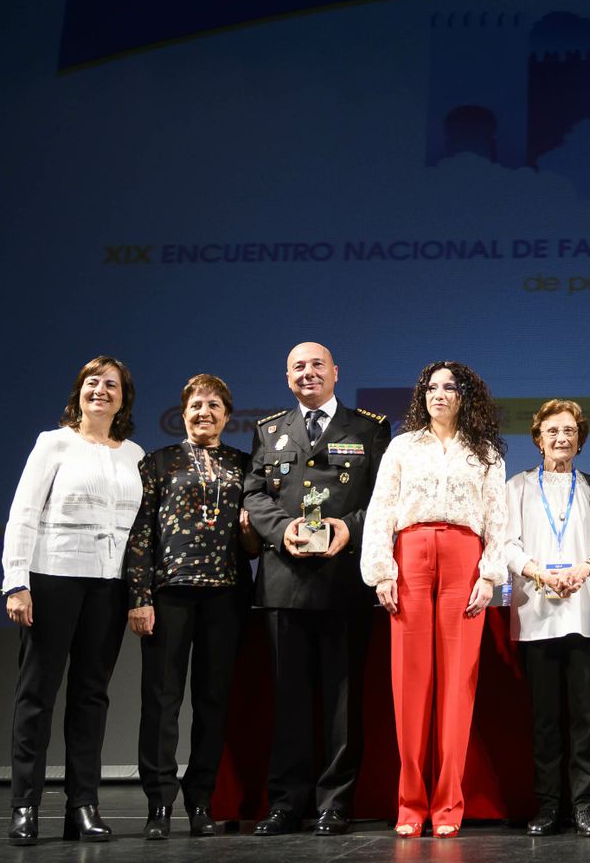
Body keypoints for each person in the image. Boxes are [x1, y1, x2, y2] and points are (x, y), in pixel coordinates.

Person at [242, 342, 391, 836]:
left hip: (343, 582)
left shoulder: (370, 428)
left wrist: (349, 527)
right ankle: (286, 803)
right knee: (289, 701)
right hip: (284, 582)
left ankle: (334, 803)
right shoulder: (269, 430)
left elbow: (385, 502)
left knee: (342, 704)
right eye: (298, 367)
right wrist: (284, 529)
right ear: (288, 378)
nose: (308, 373)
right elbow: (254, 497)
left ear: (336, 373)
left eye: (317, 365)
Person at [1, 356, 145, 845]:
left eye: (111, 384)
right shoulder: (54, 443)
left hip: (109, 585)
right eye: (91, 382)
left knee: (91, 697)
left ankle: (83, 804)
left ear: (124, 397)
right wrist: (16, 581)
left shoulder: (134, 454)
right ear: (78, 392)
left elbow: (141, 534)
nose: (100, 390)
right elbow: (23, 513)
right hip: (53, 577)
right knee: (37, 694)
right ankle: (25, 805)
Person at [362, 361, 509, 839]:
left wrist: (489, 576)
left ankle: (448, 805)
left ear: (467, 396)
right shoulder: (403, 447)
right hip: (411, 558)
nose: (439, 394)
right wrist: (382, 571)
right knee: (411, 686)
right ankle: (411, 804)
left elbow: (498, 519)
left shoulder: (484, 452)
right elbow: (382, 510)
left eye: (450, 387)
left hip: (464, 560)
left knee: (457, 688)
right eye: (431, 387)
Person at [125, 373, 259, 839]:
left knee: (213, 702)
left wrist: (249, 533)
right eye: (196, 405)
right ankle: (158, 804)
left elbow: (254, 541)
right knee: (161, 702)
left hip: (227, 595)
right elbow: (140, 536)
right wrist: (139, 597)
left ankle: (200, 800)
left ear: (227, 414)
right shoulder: (157, 463)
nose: (205, 413)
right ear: (184, 413)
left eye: (214, 406)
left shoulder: (246, 465)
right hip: (169, 595)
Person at [501, 399, 590, 837]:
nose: (561, 438)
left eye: (570, 431)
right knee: (545, 719)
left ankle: (585, 805)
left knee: (585, 718)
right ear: (537, 438)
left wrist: (583, 569)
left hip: (585, 614)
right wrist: (536, 572)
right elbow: (506, 544)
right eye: (552, 431)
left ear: (581, 440)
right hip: (536, 614)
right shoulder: (516, 488)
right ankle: (549, 806)